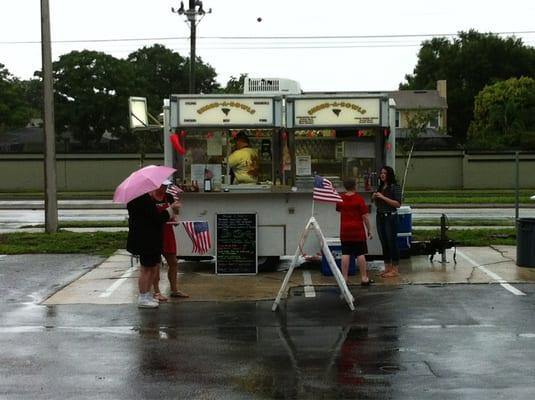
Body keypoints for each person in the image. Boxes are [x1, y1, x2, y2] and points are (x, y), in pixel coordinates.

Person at [127, 189, 181, 308]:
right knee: (146, 269)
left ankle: (146, 295)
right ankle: (143, 296)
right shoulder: (142, 200)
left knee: (151, 267)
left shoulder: (138, 199)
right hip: (146, 239)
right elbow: (157, 219)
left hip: (149, 239)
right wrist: (171, 209)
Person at [151, 181, 189, 302]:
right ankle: (156, 292)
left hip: (168, 232)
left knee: (173, 262)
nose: (164, 188)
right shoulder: (150, 198)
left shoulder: (169, 197)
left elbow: (175, 212)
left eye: (166, 186)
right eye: (162, 185)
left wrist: (175, 214)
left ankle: (174, 289)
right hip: (155, 233)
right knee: (155, 265)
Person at [336, 177, 373, 285]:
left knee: (345, 253)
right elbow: (365, 216)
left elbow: (339, 209)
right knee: (360, 253)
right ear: (354, 186)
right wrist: (369, 230)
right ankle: (364, 278)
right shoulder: (359, 199)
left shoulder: (340, 198)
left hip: (345, 230)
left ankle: (344, 279)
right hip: (357, 230)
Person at [372, 166, 402, 278]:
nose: (382, 175)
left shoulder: (395, 187)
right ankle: (387, 268)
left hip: (390, 217)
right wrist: (374, 198)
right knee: (384, 243)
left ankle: (395, 269)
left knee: (392, 243)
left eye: (385, 173)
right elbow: (378, 204)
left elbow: (398, 204)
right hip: (380, 216)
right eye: (381, 173)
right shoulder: (380, 187)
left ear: (389, 174)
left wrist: (383, 197)